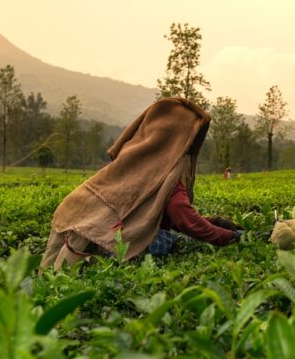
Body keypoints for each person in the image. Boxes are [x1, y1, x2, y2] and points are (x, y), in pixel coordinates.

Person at [40, 98, 241, 271]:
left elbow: (151, 215)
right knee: (70, 285)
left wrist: (215, 221)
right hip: (92, 238)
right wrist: (232, 237)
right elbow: (186, 219)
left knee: (49, 282)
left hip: (72, 218)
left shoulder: (134, 161)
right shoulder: (165, 175)